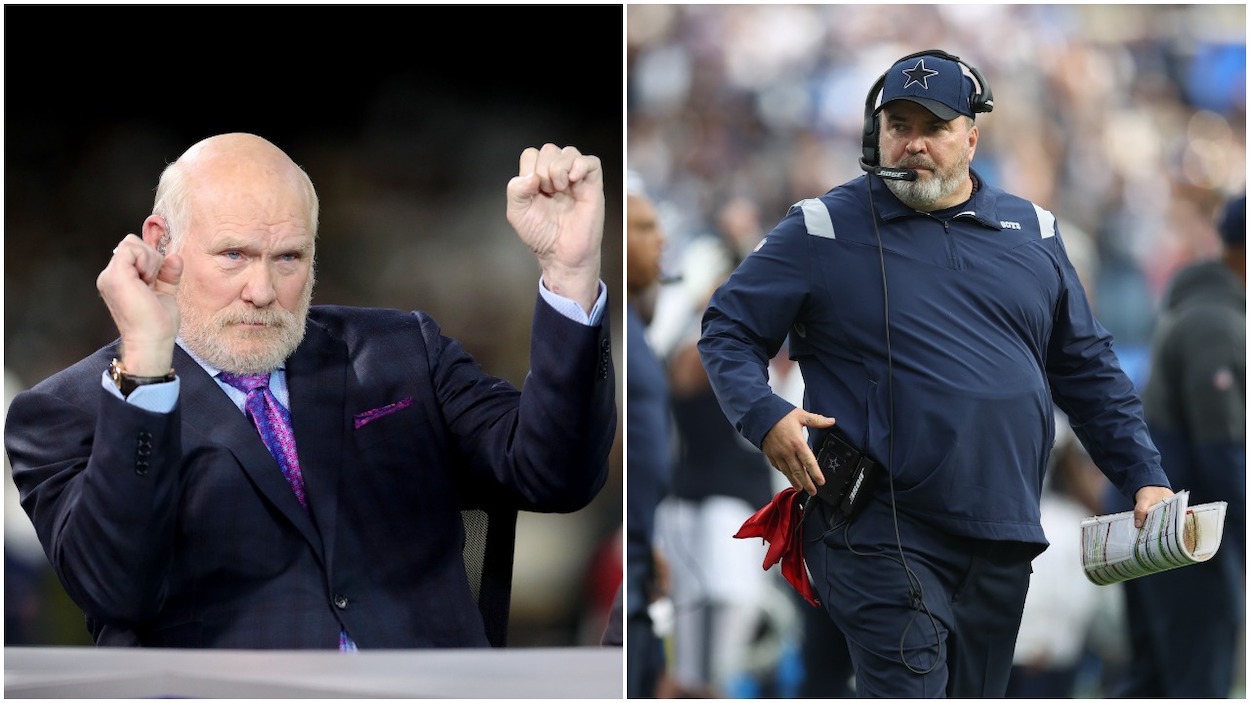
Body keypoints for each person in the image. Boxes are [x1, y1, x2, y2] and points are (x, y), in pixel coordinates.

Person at [4, 132, 616, 649]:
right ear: (162, 241)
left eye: (289, 258)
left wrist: (568, 275)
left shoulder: (402, 350)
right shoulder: (62, 413)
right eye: (234, 255)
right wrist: (144, 369)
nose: (263, 290)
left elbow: (554, 472)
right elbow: (119, 590)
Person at [697, 49, 1174, 697]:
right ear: (877, 133)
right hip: (879, 526)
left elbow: (1087, 371)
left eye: (935, 126)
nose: (913, 143)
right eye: (899, 125)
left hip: (1002, 530)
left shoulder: (1033, 231)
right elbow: (728, 327)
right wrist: (765, 414)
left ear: (971, 138)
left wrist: (1143, 474)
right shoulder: (823, 227)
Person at [1104, 193, 1246, 698]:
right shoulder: (1216, 320)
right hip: (1188, 534)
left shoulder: (1208, 308)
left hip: (1163, 524)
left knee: (1154, 679)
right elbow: (1223, 451)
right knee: (1195, 680)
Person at [622, 174, 673, 696]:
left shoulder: (638, 329)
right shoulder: (612, 333)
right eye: (643, 227)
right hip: (626, 555)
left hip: (642, 544)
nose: (660, 239)